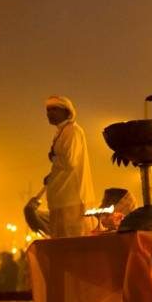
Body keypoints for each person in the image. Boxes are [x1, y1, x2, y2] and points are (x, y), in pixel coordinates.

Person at [41, 96, 96, 238]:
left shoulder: (73, 131)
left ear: (67, 112)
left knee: (73, 243)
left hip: (73, 200)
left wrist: (53, 157)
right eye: (48, 110)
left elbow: (70, 162)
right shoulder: (61, 131)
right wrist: (52, 176)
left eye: (54, 109)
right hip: (62, 199)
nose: (49, 113)